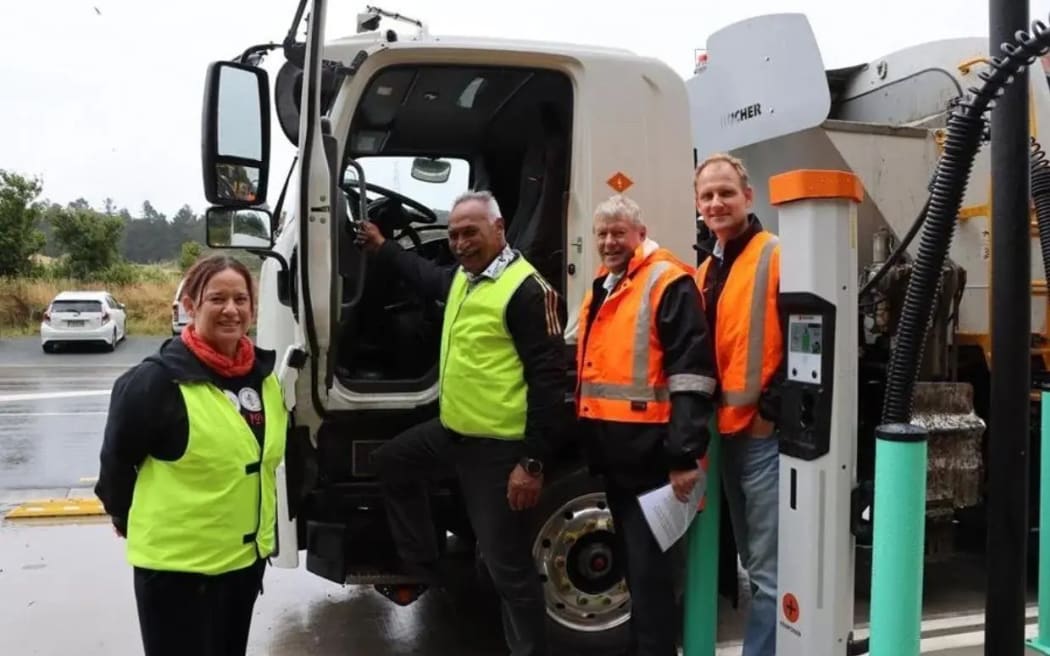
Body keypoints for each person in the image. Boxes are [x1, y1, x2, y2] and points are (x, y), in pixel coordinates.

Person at [356, 189, 567, 656]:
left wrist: (531, 463)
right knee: (392, 462)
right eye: (453, 235)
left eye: (470, 232)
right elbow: (425, 276)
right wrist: (382, 247)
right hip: (453, 434)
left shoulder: (528, 291)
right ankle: (427, 567)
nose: (460, 243)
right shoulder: (464, 280)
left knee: (507, 568)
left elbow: (550, 385)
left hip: (498, 451)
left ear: (499, 228)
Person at [94, 254, 287, 656]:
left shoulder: (263, 379)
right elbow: (116, 464)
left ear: (253, 307)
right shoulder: (154, 381)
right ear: (190, 306)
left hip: (242, 565)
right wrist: (122, 515)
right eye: (217, 298)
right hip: (176, 573)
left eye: (241, 299)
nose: (231, 309)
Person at [575, 194, 718, 656]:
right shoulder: (607, 282)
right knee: (638, 574)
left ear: (640, 233)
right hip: (619, 456)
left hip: (654, 461)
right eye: (602, 233)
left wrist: (682, 455)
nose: (609, 241)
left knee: (652, 578)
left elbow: (692, 375)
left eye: (619, 232)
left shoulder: (666, 280)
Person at [693, 153, 784, 656]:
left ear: (749, 197)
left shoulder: (774, 254)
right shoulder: (708, 268)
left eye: (725, 192)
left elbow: (807, 340)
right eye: (707, 195)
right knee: (754, 563)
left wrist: (770, 416)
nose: (716, 202)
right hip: (725, 436)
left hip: (760, 438)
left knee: (769, 573)